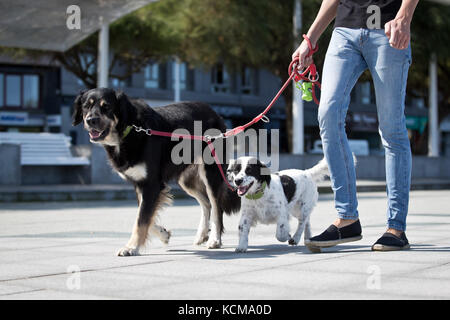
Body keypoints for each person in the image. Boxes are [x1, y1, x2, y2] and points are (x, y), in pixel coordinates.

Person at [292, 0, 419, 251]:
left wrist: (405, 16)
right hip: (345, 30)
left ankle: (396, 227)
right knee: (327, 114)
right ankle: (347, 218)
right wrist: (311, 37)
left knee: (391, 129)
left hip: (388, 28)